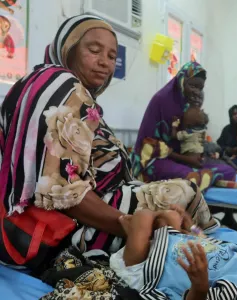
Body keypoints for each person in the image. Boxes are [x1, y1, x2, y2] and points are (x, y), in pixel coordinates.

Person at [0, 15, 217, 260]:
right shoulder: (63, 84)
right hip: (67, 227)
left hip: (96, 206)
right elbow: (62, 192)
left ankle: (210, 250)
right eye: (94, 50)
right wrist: (130, 224)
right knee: (184, 195)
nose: (104, 62)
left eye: (112, 57)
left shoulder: (67, 93)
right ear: (68, 48)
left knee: (182, 203)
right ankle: (212, 251)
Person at [132, 62, 237, 231]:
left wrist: (198, 155)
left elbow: (192, 137)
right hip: (153, 160)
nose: (196, 91)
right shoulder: (161, 100)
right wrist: (187, 159)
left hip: (182, 158)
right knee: (191, 177)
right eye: (192, 85)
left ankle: (224, 213)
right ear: (181, 80)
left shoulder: (189, 103)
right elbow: (150, 145)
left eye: (200, 88)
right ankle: (197, 216)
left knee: (228, 171)